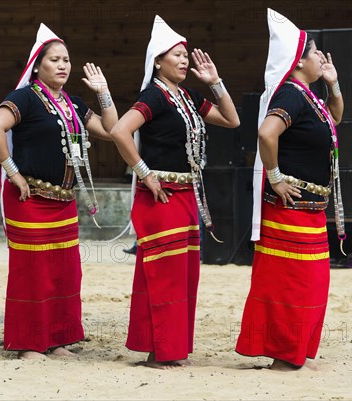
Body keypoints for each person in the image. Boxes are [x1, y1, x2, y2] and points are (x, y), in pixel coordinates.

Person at [109, 15, 240, 369]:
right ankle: (158, 350)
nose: (183, 61)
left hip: (186, 196)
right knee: (162, 275)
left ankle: (171, 348)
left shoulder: (188, 96)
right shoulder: (154, 96)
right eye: (176, 55)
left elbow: (232, 120)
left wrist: (216, 83)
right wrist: (143, 172)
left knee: (183, 275)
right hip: (161, 195)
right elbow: (121, 132)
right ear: (157, 61)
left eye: (185, 55)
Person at [0, 24, 118, 360]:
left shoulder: (72, 102)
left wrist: (103, 92)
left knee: (63, 271)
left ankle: (57, 340)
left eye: (66, 60)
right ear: (38, 65)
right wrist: (13, 172)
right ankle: (29, 342)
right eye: (54, 60)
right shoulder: (24, 97)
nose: (62, 66)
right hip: (30, 200)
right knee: (33, 272)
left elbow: (111, 129)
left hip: (63, 201)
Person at [235, 9, 345, 371]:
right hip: (289, 207)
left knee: (311, 282)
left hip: (310, 208)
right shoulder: (292, 95)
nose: (321, 59)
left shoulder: (309, 96)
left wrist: (333, 84)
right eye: (316, 54)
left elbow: (334, 117)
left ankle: (294, 351)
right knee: (291, 283)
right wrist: (276, 175)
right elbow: (267, 133)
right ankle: (284, 356)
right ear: (299, 60)